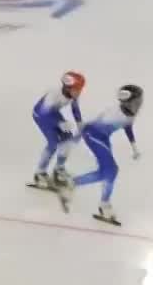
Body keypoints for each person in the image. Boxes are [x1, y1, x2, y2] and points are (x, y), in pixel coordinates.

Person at [56, 85, 142, 225]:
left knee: (107, 172)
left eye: (139, 102)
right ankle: (75, 187)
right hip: (93, 135)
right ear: (127, 102)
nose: (138, 105)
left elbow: (128, 125)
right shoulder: (114, 114)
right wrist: (75, 139)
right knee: (111, 170)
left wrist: (134, 146)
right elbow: (89, 125)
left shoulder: (129, 113)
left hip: (103, 137)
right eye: (136, 102)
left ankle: (101, 202)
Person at [28, 71, 87, 190]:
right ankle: (40, 173)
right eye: (77, 89)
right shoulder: (54, 95)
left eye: (80, 89)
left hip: (53, 113)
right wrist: (59, 123)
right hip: (41, 115)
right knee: (53, 143)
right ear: (68, 88)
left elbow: (75, 108)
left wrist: (80, 123)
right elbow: (44, 114)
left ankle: (59, 170)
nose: (80, 92)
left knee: (68, 139)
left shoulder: (73, 94)